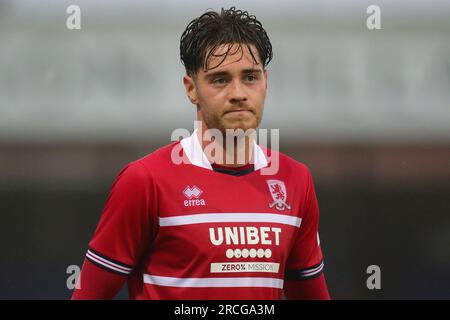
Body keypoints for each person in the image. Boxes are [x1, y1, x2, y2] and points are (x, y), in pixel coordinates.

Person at [72, 7, 330, 300]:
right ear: (191, 89)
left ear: (266, 81)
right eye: (220, 80)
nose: (238, 93)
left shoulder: (296, 181)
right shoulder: (145, 181)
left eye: (250, 77)